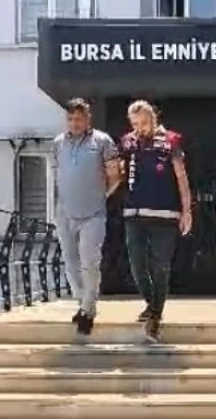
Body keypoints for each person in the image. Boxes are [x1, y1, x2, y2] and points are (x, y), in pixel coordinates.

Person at [119, 100, 192, 344]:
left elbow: (181, 177)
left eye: (144, 123)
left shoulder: (171, 141)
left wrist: (187, 211)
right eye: (135, 124)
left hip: (165, 214)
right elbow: (118, 172)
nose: (140, 128)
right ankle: (152, 305)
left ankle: (155, 315)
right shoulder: (128, 142)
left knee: (160, 266)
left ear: (153, 119)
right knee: (137, 264)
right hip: (134, 213)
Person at [52, 98, 121, 339]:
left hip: (93, 213)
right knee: (70, 263)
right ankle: (82, 303)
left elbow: (115, 175)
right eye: (71, 119)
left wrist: (101, 197)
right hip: (65, 212)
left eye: (79, 118)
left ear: (88, 119)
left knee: (89, 262)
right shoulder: (58, 143)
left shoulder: (102, 141)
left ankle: (88, 310)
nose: (75, 123)